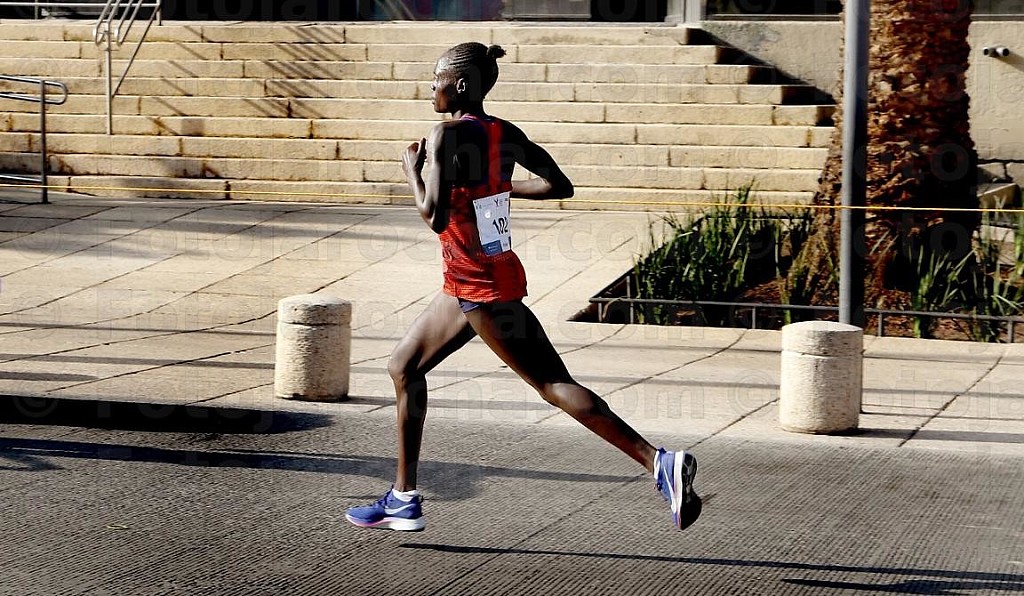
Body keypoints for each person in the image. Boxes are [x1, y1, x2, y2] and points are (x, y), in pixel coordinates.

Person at [345, 42, 701, 532]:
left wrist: (412, 170)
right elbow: (559, 185)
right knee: (403, 367)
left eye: (437, 79)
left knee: (552, 385)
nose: (431, 87)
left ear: (460, 86)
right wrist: (495, 187)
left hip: (480, 287)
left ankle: (657, 462)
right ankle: (403, 498)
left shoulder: (445, 135)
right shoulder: (505, 133)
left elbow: (434, 216)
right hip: (470, 280)